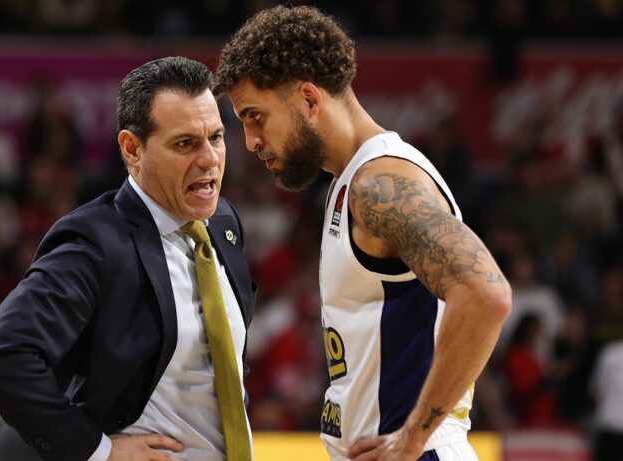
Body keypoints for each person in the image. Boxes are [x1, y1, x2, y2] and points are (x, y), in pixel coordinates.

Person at [214, 6, 512, 461]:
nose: (251, 141)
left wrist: (413, 437)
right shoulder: (350, 181)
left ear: (309, 99)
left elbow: (486, 294)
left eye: (256, 117)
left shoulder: (379, 185)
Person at [0, 56, 255, 461]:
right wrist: (96, 450)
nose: (209, 158)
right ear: (132, 149)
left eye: (216, 137)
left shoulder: (224, 223)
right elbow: (1, 355)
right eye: (185, 143)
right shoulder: (95, 242)